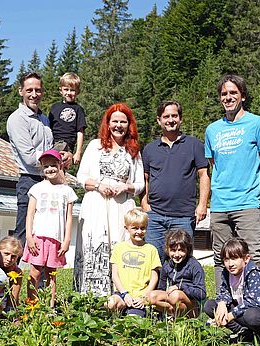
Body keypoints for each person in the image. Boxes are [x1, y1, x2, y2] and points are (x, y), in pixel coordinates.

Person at [205, 74, 260, 286]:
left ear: (242, 96)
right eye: (224, 94)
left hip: (246, 204)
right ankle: (223, 305)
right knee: (220, 258)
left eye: (233, 92)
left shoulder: (258, 124)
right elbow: (214, 166)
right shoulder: (212, 130)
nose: (228, 97)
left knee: (252, 256)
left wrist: (253, 192)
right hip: (219, 205)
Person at [74, 103, 144, 297]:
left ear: (129, 124)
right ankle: (89, 298)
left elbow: (140, 184)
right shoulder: (95, 146)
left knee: (119, 247)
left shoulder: (134, 151)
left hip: (121, 206)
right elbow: (81, 177)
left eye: (123, 121)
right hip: (96, 204)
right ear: (108, 123)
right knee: (94, 245)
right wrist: (98, 185)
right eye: (115, 121)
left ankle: (119, 296)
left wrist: (125, 187)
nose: (119, 125)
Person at [7, 71, 72, 250]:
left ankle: (43, 277)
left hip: (49, 180)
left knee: (48, 233)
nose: (34, 94)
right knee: (22, 234)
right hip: (29, 180)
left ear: (42, 92)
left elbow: (52, 148)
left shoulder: (44, 119)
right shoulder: (17, 119)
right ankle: (10, 276)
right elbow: (29, 157)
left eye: (38, 90)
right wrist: (55, 159)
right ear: (21, 91)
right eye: (29, 90)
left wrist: (66, 154)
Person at [141, 101, 210, 262]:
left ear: (180, 119)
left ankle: (179, 288)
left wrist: (202, 204)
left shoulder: (194, 145)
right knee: (155, 262)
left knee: (182, 262)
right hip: (155, 216)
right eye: (166, 116)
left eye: (174, 116)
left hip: (184, 216)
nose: (170, 120)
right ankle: (156, 289)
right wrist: (145, 204)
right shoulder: (150, 149)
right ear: (159, 120)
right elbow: (145, 178)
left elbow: (204, 175)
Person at [22, 149, 78, 307]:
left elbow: (68, 218)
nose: (50, 169)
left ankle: (50, 306)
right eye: (46, 166)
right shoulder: (37, 189)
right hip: (38, 237)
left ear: (60, 165)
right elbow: (30, 214)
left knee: (51, 275)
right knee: (35, 272)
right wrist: (29, 237)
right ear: (41, 168)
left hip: (56, 239)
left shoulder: (68, 191)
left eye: (53, 165)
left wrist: (67, 240)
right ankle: (31, 304)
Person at [203, 238, 260, 343]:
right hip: (240, 312)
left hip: (258, 315)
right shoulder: (227, 273)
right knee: (210, 306)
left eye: (234, 258)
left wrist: (231, 315)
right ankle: (243, 332)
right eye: (226, 259)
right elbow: (224, 291)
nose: (230, 264)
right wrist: (222, 304)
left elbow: (255, 302)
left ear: (246, 258)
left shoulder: (254, 273)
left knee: (251, 316)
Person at [107, 208, 161, 317]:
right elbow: (115, 275)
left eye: (142, 228)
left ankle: (134, 314)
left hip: (140, 296)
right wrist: (125, 294)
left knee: (133, 321)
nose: (139, 232)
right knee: (111, 303)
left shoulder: (151, 249)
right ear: (126, 228)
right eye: (135, 228)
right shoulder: (119, 248)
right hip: (122, 293)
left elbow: (154, 277)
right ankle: (116, 318)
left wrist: (144, 297)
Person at [149, 229, 206, 318]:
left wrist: (180, 286)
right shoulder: (167, 265)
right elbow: (161, 289)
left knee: (175, 295)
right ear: (167, 250)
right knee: (151, 296)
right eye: (173, 250)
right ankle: (171, 315)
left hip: (191, 304)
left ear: (188, 249)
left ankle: (185, 318)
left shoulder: (194, 266)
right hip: (172, 300)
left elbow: (201, 293)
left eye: (181, 250)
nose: (177, 254)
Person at [49, 72, 86, 163]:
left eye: (72, 90)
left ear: (77, 92)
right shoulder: (55, 107)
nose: (69, 93)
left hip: (66, 144)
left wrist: (78, 152)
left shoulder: (78, 109)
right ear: (61, 90)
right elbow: (48, 126)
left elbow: (80, 132)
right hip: (51, 143)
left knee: (56, 165)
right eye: (66, 89)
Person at [0, 236, 23, 312]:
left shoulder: (13, 265)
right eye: (6, 254)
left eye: (13, 256)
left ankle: (11, 307)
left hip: (3, 296)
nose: (9, 259)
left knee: (17, 274)